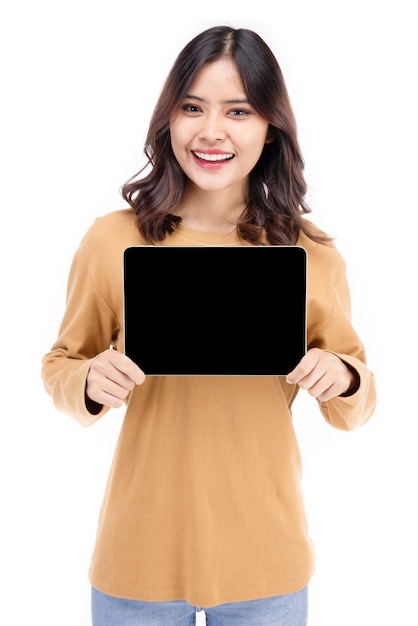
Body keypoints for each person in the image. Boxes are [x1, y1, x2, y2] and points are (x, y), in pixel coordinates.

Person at [41, 25, 377, 626]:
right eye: (192, 107)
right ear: (167, 118)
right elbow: (61, 365)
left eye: (239, 111)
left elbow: (357, 400)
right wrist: (89, 380)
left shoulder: (310, 253)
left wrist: (344, 378)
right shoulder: (111, 241)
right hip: (137, 560)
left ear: (271, 125)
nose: (211, 131)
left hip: (266, 565)